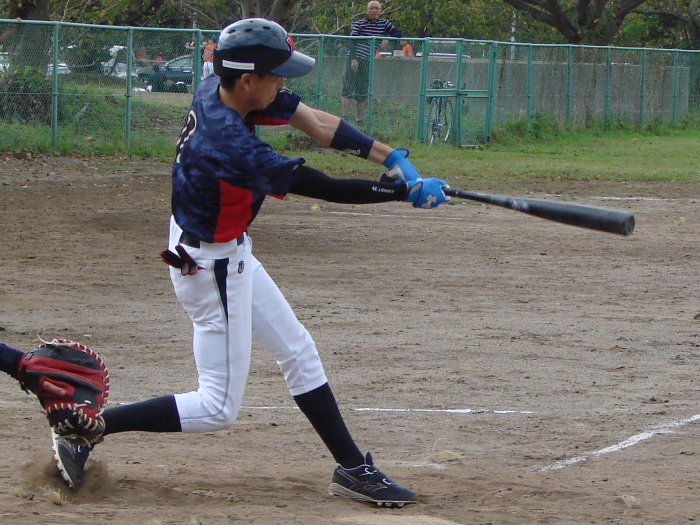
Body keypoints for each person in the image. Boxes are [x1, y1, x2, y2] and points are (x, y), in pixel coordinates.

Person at [1, 18, 449, 508]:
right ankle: (88, 427)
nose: (283, 84)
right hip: (210, 266)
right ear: (249, 80)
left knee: (298, 351)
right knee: (217, 407)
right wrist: (401, 193)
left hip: (222, 250)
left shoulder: (221, 88)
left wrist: (392, 158)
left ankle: (353, 469)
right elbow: (323, 187)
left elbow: (319, 124)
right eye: (277, 75)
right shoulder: (228, 145)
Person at [341, 0, 402, 124]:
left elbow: (398, 33)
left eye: (377, 8)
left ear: (380, 11)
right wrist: (353, 59)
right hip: (355, 58)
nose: (374, 10)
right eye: (372, 8)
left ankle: (359, 119)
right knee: (348, 88)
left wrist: (386, 38)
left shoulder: (384, 24)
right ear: (367, 10)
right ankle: (345, 117)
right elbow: (352, 41)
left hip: (368, 60)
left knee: (362, 90)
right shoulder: (360, 24)